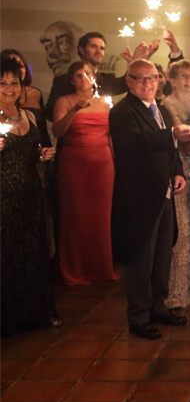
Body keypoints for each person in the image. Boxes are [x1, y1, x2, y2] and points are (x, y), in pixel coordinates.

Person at [110, 59, 190, 340]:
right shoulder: (122, 111)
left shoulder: (161, 109)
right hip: (139, 194)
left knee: (162, 254)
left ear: (159, 80)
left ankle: (158, 307)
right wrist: (171, 134)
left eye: (152, 77)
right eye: (141, 78)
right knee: (140, 257)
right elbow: (134, 143)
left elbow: (170, 150)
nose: (147, 83)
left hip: (164, 191)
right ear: (128, 81)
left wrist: (177, 171)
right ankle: (138, 317)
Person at [0, 56, 60, 337]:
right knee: (7, 255)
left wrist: (43, 155)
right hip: (3, 198)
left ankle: (34, 313)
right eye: (2, 83)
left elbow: (32, 153)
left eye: (14, 82)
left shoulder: (29, 116)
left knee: (32, 253)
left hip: (31, 195)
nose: (9, 88)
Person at [51, 61, 119, 287]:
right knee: (76, 217)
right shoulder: (64, 101)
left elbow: (110, 134)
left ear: (94, 77)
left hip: (103, 165)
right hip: (74, 164)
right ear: (72, 80)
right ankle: (75, 270)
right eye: (78, 75)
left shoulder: (105, 102)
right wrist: (74, 110)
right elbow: (57, 131)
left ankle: (101, 268)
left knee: (101, 219)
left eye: (87, 73)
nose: (84, 78)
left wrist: (115, 160)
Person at [161, 59, 190, 309]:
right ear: (172, 79)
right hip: (181, 167)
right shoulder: (168, 104)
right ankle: (175, 290)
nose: (189, 80)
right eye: (183, 76)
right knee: (182, 228)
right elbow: (183, 139)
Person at [44, 31, 156, 121]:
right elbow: (49, 113)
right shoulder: (63, 80)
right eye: (94, 47)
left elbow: (126, 83)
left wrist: (136, 62)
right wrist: (75, 111)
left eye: (102, 48)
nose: (98, 51)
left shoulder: (106, 79)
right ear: (82, 50)